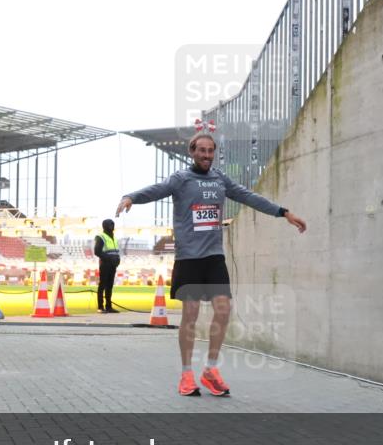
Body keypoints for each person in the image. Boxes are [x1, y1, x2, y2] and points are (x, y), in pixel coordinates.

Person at [116, 132, 306, 396]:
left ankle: (211, 370)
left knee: (223, 310)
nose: (206, 155)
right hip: (189, 258)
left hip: (214, 257)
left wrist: (283, 212)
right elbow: (156, 190)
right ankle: (186, 374)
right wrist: (131, 197)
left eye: (210, 151)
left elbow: (249, 196)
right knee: (191, 315)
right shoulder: (181, 179)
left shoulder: (220, 180)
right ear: (192, 151)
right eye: (202, 150)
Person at [94, 218, 121, 313]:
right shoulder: (101, 237)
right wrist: (109, 258)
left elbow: (115, 251)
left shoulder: (114, 238)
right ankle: (100, 307)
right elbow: (97, 251)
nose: (112, 226)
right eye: (110, 225)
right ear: (105, 226)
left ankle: (109, 306)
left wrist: (117, 259)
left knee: (110, 285)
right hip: (105, 264)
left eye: (112, 225)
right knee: (102, 285)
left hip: (113, 264)